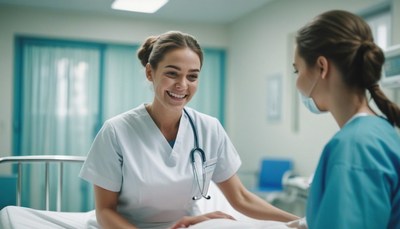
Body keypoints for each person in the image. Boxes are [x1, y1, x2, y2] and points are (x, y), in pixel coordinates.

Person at [79, 30, 298, 229]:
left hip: (187, 226)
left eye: (192, 76)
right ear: (149, 72)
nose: (182, 85)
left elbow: (241, 197)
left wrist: (300, 222)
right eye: (172, 73)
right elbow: (105, 211)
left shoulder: (209, 128)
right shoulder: (117, 131)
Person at [292, 10, 400, 228]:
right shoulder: (380, 129)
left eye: (297, 70)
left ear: (322, 67)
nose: (297, 83)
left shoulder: (355, 147)